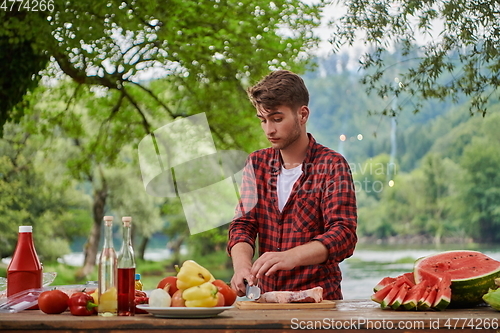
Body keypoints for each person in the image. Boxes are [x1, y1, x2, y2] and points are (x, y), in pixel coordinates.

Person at [227, 70, 358, 300]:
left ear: (302, 114)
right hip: (265, 301)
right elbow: (243, 225)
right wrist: (241, 266)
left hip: (319, 303)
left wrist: (292, 256)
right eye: (263, 120)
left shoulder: (332, 165)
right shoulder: (256, 163)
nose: (269, 130)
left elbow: (343, 234)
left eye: (277, 119)